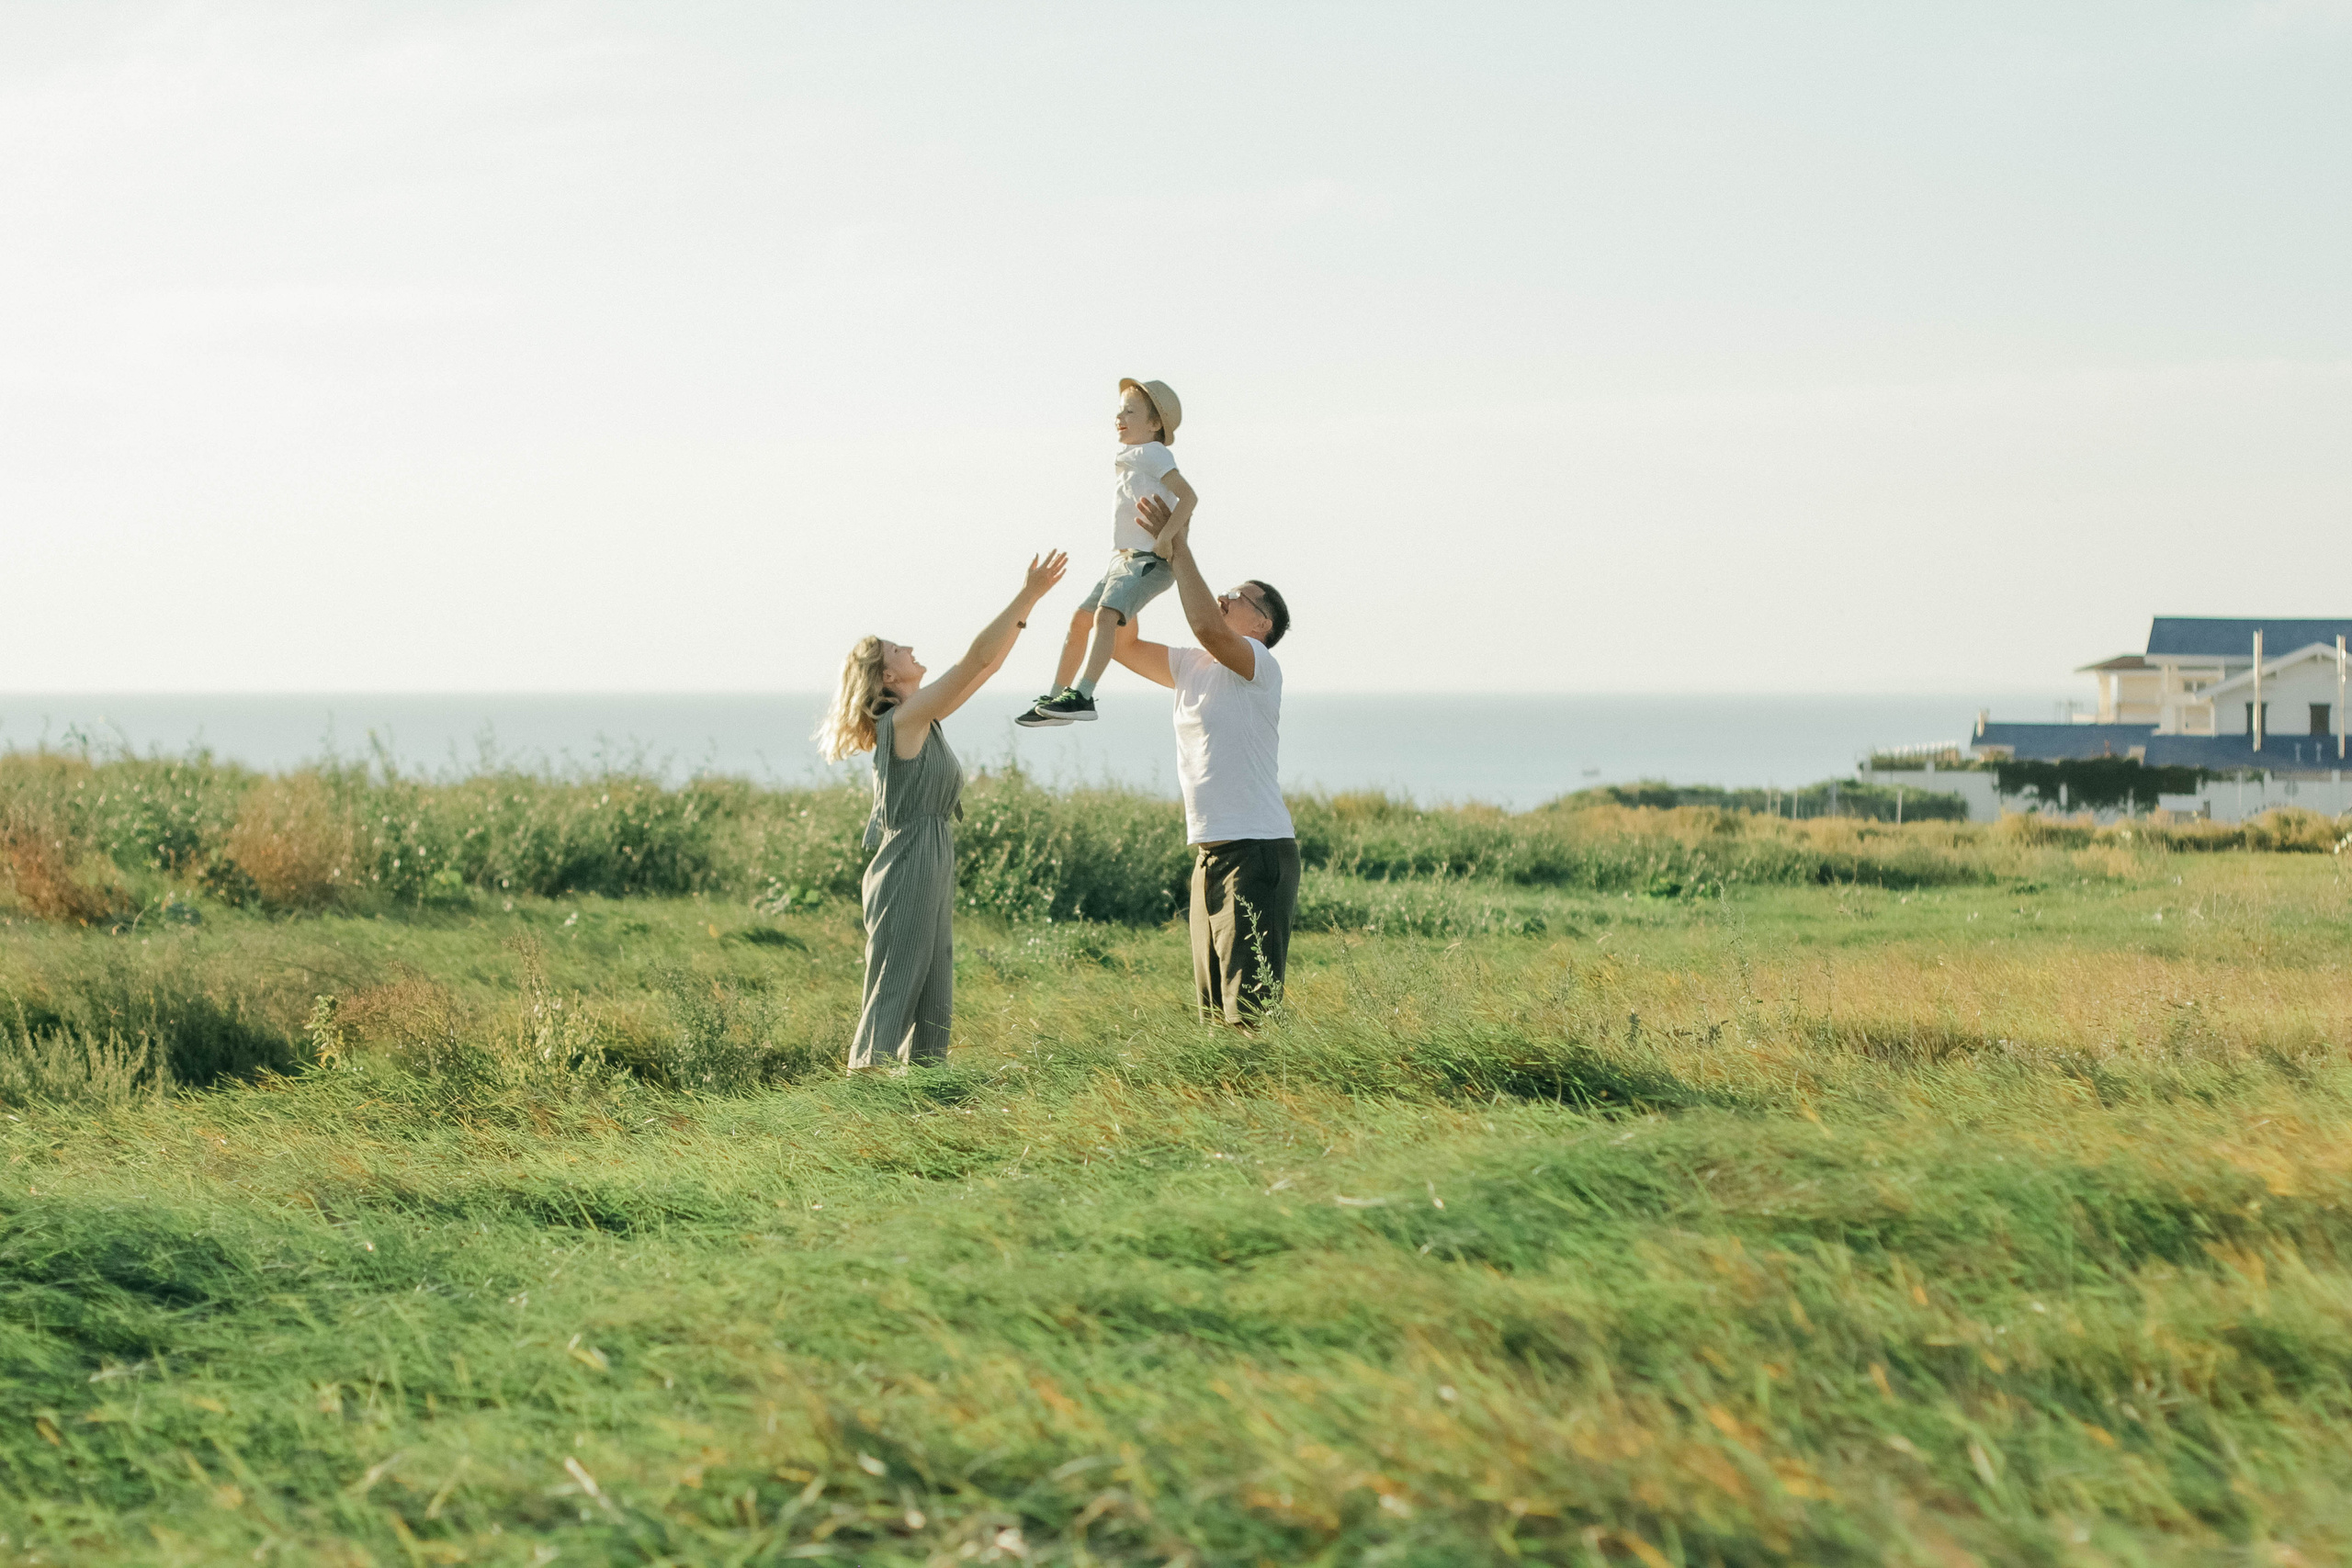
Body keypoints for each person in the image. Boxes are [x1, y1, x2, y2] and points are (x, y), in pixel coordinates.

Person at [818, 550, 1069, 1069]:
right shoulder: (903, 721)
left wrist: (1028, 609)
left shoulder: (925, 717)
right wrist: (1028, 593)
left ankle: (926, 1090)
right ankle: (863, 1093)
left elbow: (987, 665)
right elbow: (975, 660)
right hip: (907, 861)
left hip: (929, 857)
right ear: (888, 676)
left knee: (934, 989)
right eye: (897, 649)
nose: (910, 648)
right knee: (895, 985)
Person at [1114, 494, 1296, 1025]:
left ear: (1262, 624)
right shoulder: (1191, 666)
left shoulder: (1258, 663)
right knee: (1215, 1015)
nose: (1222, 598)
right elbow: (1123, 644)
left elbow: (1207, 629)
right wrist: (1140, 558)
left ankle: (1274, 1082)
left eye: (1237, 596)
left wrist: (1179, 547)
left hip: (1256, 850)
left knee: (1251, 1017)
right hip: (1209, 855)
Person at [1016, 378, 1197, 727]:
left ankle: (1083, 695)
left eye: (1130, 412)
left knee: (1104, 616)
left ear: (1154, 423)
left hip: (1148, 561)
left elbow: (1188, 496)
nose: (1119, 417)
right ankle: (1056, 699)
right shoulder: (1133, 457)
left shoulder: (1153, 452)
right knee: (1080, 620)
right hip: (1124, 561)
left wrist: (1166, 538)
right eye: (1119, 411)